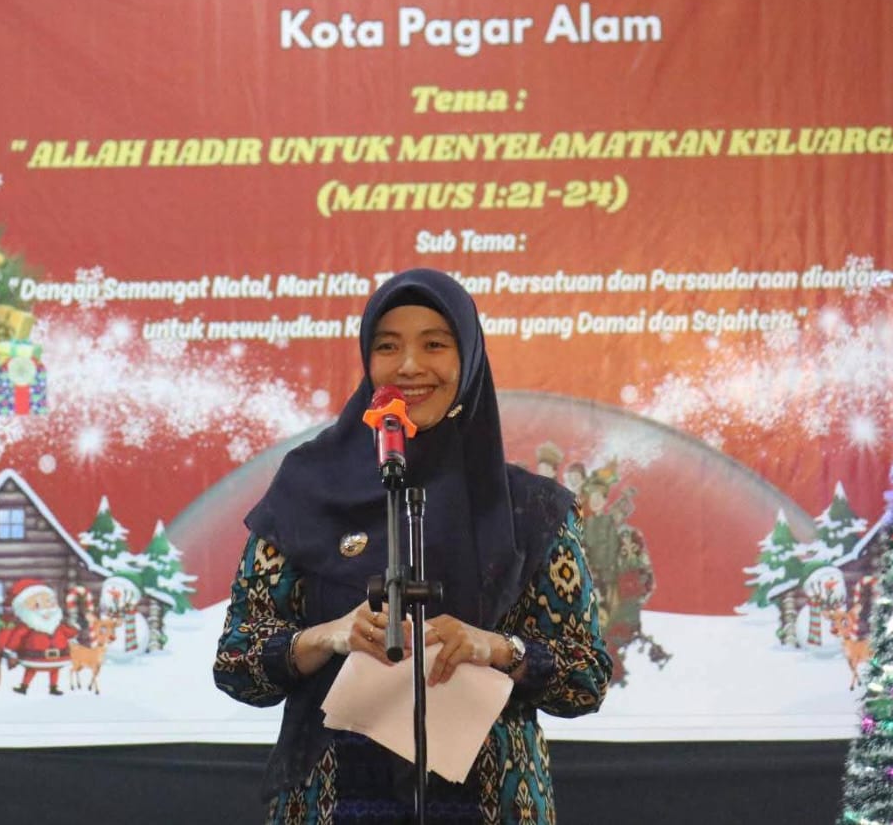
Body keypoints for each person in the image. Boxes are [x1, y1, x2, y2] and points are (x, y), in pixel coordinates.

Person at [214, 268, 611, 823]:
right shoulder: (307, 488)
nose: (409, 366)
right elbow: (236, 662)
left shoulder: (531, 509)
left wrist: (498, 649)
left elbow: (587, 679)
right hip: (334, 803)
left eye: (435, 345)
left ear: (468, 359)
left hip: (489, 804)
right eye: (387, 346)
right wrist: (326, 637)